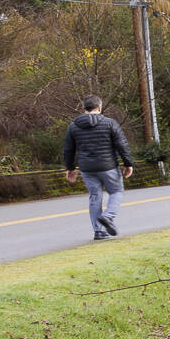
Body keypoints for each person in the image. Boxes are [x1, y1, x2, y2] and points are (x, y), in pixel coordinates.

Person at [62, 96, 135, 241]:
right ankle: (107, 217)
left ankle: (99, 231)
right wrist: (128, 163)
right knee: (116, 191)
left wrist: (70, 168)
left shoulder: (73, 126)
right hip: (108, 166)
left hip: (87, 169)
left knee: (95, 197)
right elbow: (122, 145)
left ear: (83, 109)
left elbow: (68, 150)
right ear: (100, 108)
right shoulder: (110, 123)